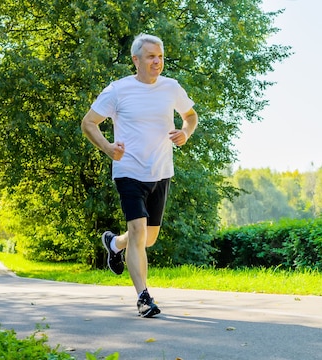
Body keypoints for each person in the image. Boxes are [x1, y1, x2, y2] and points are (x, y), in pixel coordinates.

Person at [81, 34, 198, 318]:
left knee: (147, 238)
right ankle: (143, 298)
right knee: (137, 230)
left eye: (159, 56)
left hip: (160, 172)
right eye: (150, 56)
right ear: (136, 60)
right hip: (129, 171)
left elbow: (191, 116)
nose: (157, 61)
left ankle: (113, 243)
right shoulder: (118, 90)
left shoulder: (171, 87)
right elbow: (88, 123)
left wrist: (185, 132)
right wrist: (108, 148)